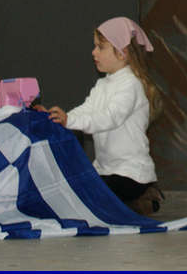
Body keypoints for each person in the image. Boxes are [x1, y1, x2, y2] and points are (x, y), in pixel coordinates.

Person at [40, 16, 164, 216]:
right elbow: (87, 109)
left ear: (122, 53)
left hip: (131, 173)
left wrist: (69, 121)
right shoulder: (103, 84)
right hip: (106, 170)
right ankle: (132, 202)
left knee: (92, 197)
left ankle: (143, 197)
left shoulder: (131, 85)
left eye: (101, 47)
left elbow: (108, 118)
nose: (94, 52)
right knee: (80, 189)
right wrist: (60, 119)